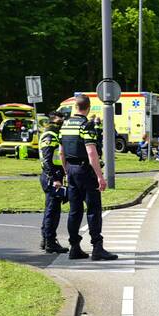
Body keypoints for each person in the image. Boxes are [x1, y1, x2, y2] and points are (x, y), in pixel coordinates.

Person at [59, 95, 117, 261]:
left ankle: (74, 247)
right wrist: (100, 177)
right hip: (86, 171)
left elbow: (61, 152)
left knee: (74, 211)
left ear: (75, 107)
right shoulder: (86, 125)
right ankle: (97, 247)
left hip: (71, 169)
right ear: (88, 107)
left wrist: (66, 170)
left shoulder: (64, 125)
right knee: (93, 210)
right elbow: (91, 153)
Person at [38, 112, 69, 254]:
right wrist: (55, 178)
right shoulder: (50, 135)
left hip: (53, 176)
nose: (61, 125)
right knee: (53, 211)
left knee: (50, 209)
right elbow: (47, 159)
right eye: (59, 122)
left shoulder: (53, 134)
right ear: (52, 122)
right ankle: (50, 242)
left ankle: (45, 239)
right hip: (52, 177)